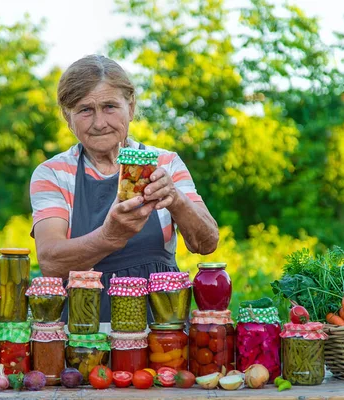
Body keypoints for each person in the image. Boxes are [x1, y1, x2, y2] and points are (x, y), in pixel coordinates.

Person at [30, 55, 219, 322]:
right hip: (83, 336)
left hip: (163, 333)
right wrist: (109, 237)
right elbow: (50, 261)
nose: (99, 123)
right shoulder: (53, 174)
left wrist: (175, 198)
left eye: (109, 107)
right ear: (67, 117)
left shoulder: (165, 163)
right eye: (85, 110)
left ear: (130, 107)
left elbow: (206, 242)